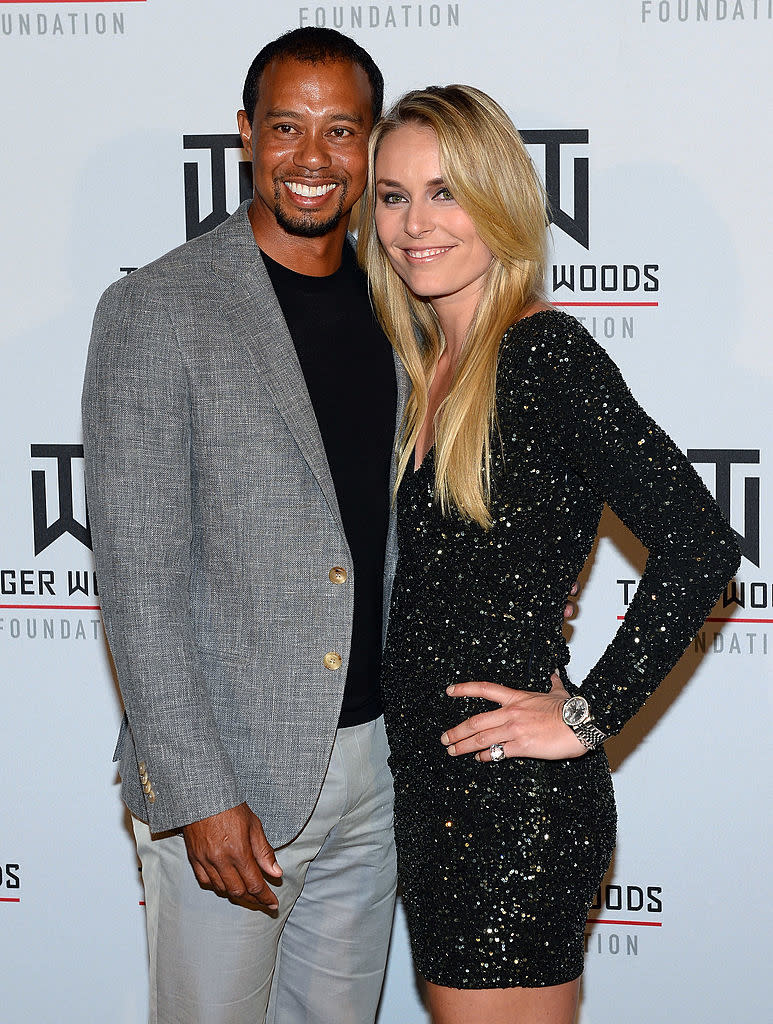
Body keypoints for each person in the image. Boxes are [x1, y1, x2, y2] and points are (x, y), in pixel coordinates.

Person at [357, 84, 741, 1024]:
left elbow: (699, 542)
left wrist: (584, 713)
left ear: (499, 202)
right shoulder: (417, 373)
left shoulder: (546, 357)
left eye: (444, 192)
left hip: (507, 800)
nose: (414, 225)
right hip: (430, 781)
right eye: (393, 195)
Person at [82, 27, 402, 1024]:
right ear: (244, 136)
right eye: (286, 127)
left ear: (372, 143)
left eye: (340, 130)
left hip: (376, 771)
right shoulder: (159, 307)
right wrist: (195, 792)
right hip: (232, 781)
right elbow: (136, 581)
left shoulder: (402, 305)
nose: (312, 159)